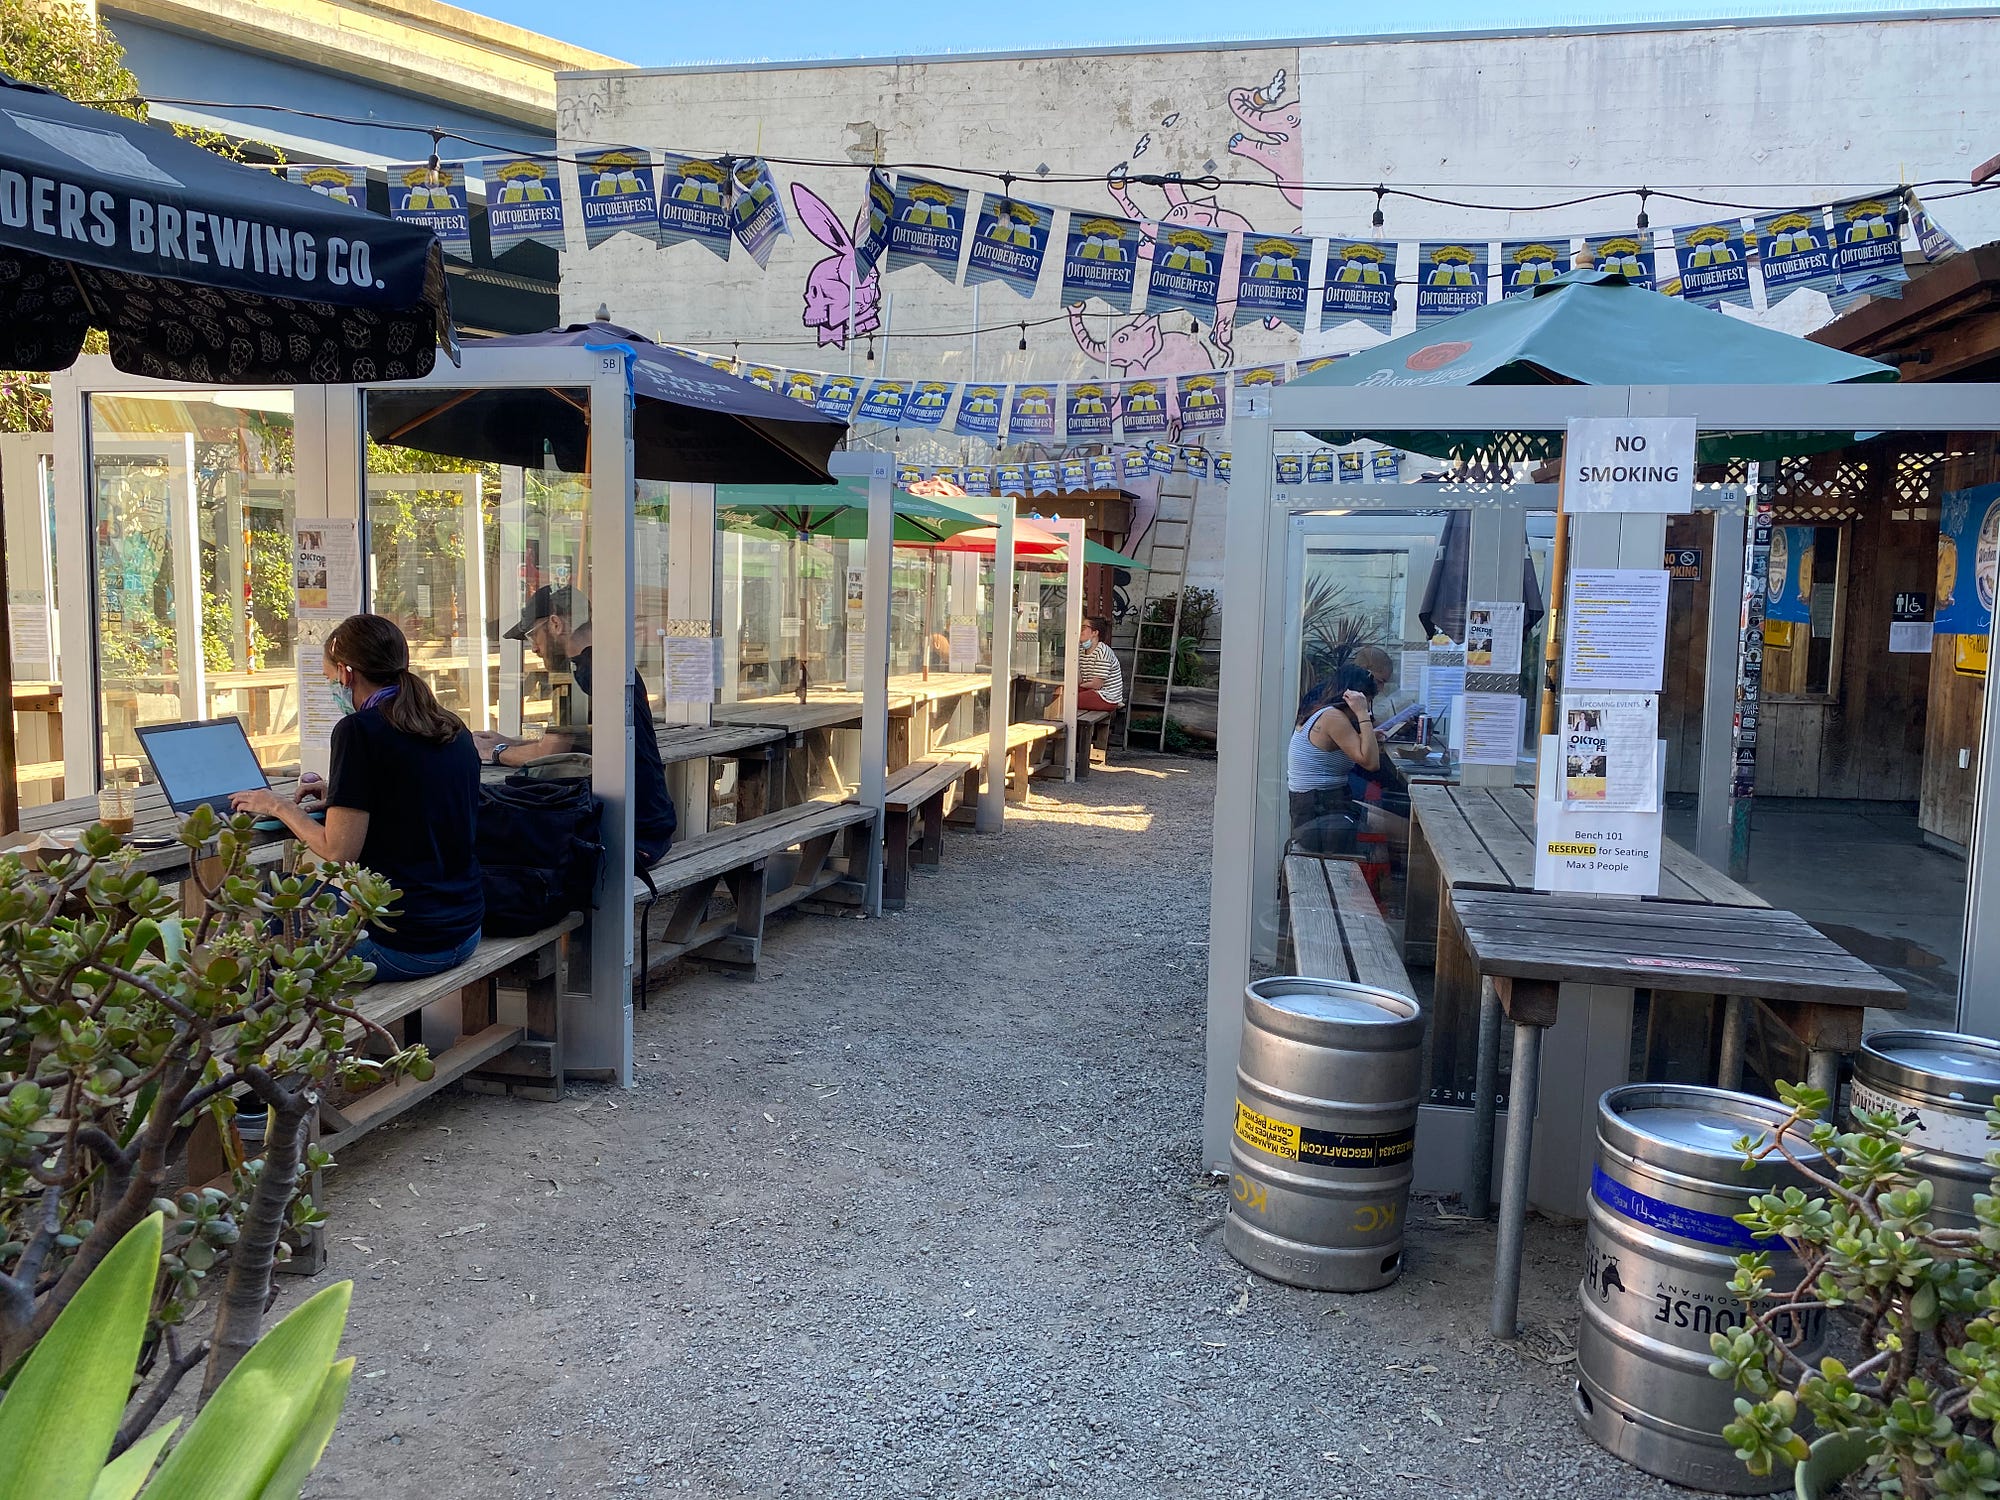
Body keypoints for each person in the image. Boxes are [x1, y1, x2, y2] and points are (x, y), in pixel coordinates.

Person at [231, 613, 483, 982]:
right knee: (296, 900)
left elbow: (338, 851)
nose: (332, 685)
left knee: (276, 899)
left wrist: (277, 805)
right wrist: (342, 794)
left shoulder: (358, 731)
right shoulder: (450, 726)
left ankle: (255, 1029)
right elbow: (415, 795)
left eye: (329, 678)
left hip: (407, 944)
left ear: (347, 674)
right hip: (463, 929)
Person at [472, 585, 677, 869]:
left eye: (533, 635)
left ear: (555, 623)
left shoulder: (578, 673)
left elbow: (551, 751)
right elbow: (573, 742)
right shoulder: (611, 663)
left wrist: (494, 751)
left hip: (627, 837)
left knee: (488, 846)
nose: (533, 647)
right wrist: (512, 743)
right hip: (650, 824)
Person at [1076, 616, 1126, 713]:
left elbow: (1096, 684)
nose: (1079, 630)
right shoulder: (1081, 651)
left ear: (1095, 633)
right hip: (1091, 690)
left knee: (1071, 700)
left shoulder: (1103, 652)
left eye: (1083, 627)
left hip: (1106, 696)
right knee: (1061, 693)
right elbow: (1080, 680)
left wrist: (1079, 687)